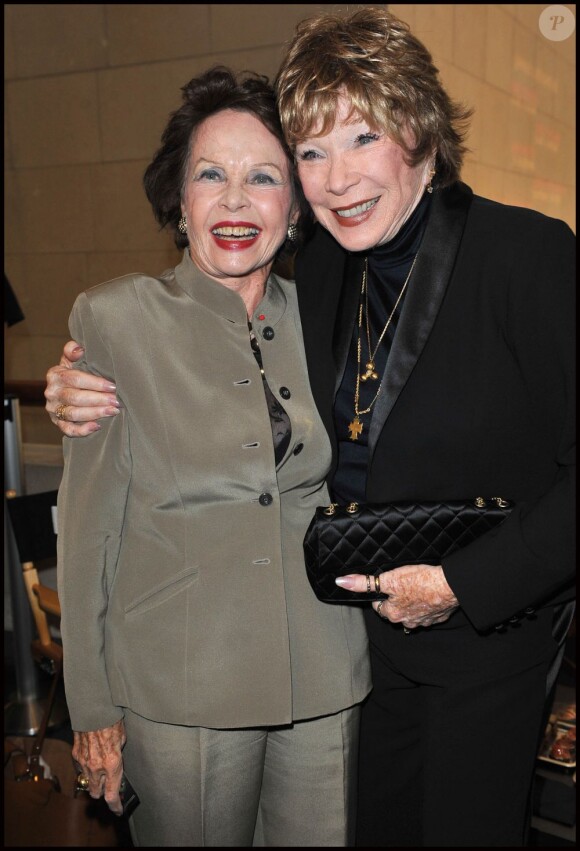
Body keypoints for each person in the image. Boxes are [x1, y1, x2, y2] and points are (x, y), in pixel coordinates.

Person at [45, 8, 575, 848]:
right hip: (353, 655)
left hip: (466, 655)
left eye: (361, 139)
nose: (336, 179)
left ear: (421, 135)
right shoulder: (327, 269)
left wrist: (462, 586)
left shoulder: (525, 256)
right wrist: (73, 385)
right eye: (314, 152)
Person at [50, 66, 371, 848]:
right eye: (211, 175)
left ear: (294, 205)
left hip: (324, 675)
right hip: (178, 689)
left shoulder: (331, 315)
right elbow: (88, 534)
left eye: (263, 176)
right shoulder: (115, 317)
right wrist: (91, 708)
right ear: (180, 200)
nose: (235, 200)